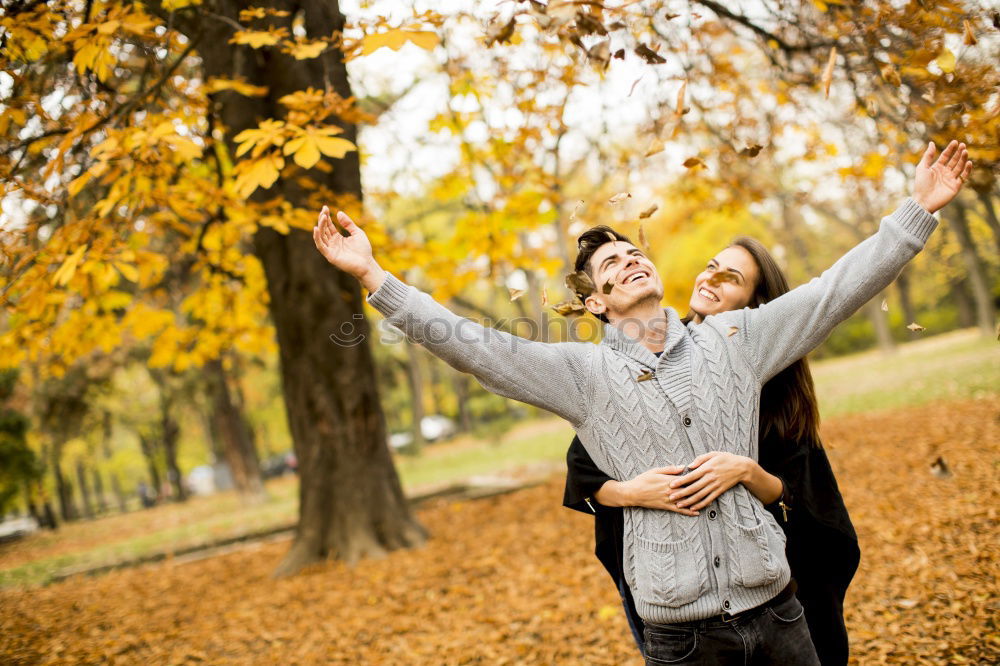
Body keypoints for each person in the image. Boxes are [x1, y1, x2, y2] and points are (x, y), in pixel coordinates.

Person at [313, 140, 971, 665]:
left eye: (634, 254)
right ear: (596, 304)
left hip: (778, 613)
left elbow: (835, 290)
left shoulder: (736, 339)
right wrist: (375, 277)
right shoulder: (581, 373)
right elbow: (477, 348)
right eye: (611, 268)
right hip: (681, 637)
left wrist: (917, 211)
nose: (630, 262)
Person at [563, 235, 859, 664]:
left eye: (731, 277)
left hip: (772, 582)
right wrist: (633, 492)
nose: (710, 279)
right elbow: (583, 471)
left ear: (757, 304)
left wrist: (746, 471)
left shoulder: (776, 388)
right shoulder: (646, 357)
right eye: (711, 265)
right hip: (673, 587)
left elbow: (803, 494)